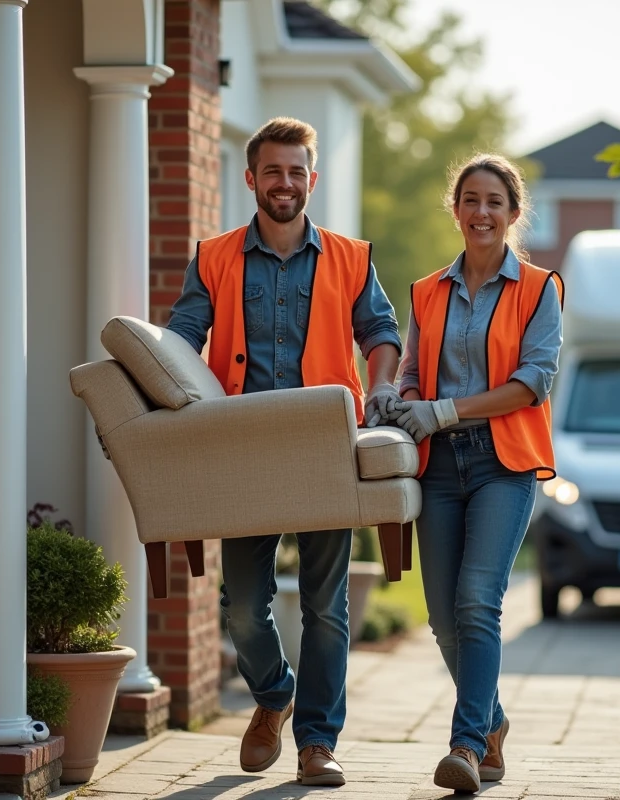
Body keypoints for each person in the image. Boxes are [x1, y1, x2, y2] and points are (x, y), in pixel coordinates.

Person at [165, 117, 402, 786]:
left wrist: (381, 389)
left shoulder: (352, 257)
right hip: (245, 446)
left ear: (312, 180)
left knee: (328, 604)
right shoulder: (213, 256)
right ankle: (273, 694)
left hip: (327, 444)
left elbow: (380, 332)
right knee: (243, 602)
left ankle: (317, 742)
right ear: (251, 179)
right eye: (274, 171)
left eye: (297, 171)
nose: (286, 182)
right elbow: (182, 338)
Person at [385, 153, 563, 794]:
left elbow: (531, 384)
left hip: (502, 463)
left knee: (477, 604)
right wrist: (397, 398)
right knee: (441, 618)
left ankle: (464, 746)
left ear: (514, 215)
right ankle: (492, 723)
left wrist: (444, 410)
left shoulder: (540, 289)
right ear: (455, 209)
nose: (481, 212)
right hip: (437, 466)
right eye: (471, 200)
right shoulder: (427, 291)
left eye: (494, 202)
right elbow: (411, 368)